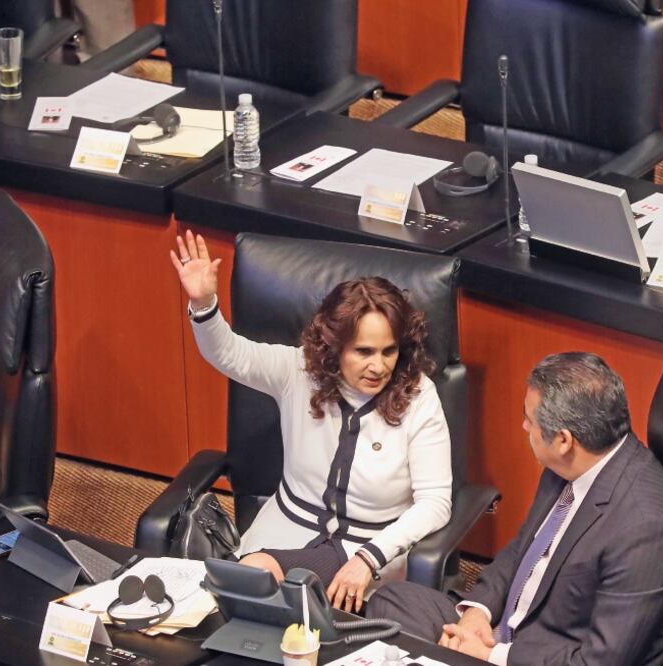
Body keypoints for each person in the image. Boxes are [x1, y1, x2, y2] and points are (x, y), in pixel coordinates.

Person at [170, 231, 452, 612]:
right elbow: (231, 355)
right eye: (364, 352)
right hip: (286, 530)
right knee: (239, 600)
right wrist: (204, 304)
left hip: (370, 551)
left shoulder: (420, 396)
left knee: (252, 587)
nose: (379, 366)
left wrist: (371, 556)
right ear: (335, 347)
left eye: (389, 351)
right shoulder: (299, 371)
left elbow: (435, 503)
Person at [367, 352, 663, 665]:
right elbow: (523, 549)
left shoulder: (647, 531)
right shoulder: (572, 462)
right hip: (504, 629)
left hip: (545, 657)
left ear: (563, 440)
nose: (525, 427)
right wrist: (478, 612)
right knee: (392, 602)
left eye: (529, 419)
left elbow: (599, 661)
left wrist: (489, 655)